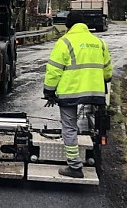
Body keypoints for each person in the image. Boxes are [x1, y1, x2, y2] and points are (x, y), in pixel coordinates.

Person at [44, 11, 113, 178]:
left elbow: (54, 70)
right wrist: (103, 81)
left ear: (68, 26)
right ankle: (97, 152)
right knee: (97, 124)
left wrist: (49, 91)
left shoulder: (65, 42)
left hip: (70, 93)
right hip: (95, 92)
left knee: (69, 127)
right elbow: (108, 70)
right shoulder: (98, 42)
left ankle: (75, 167)